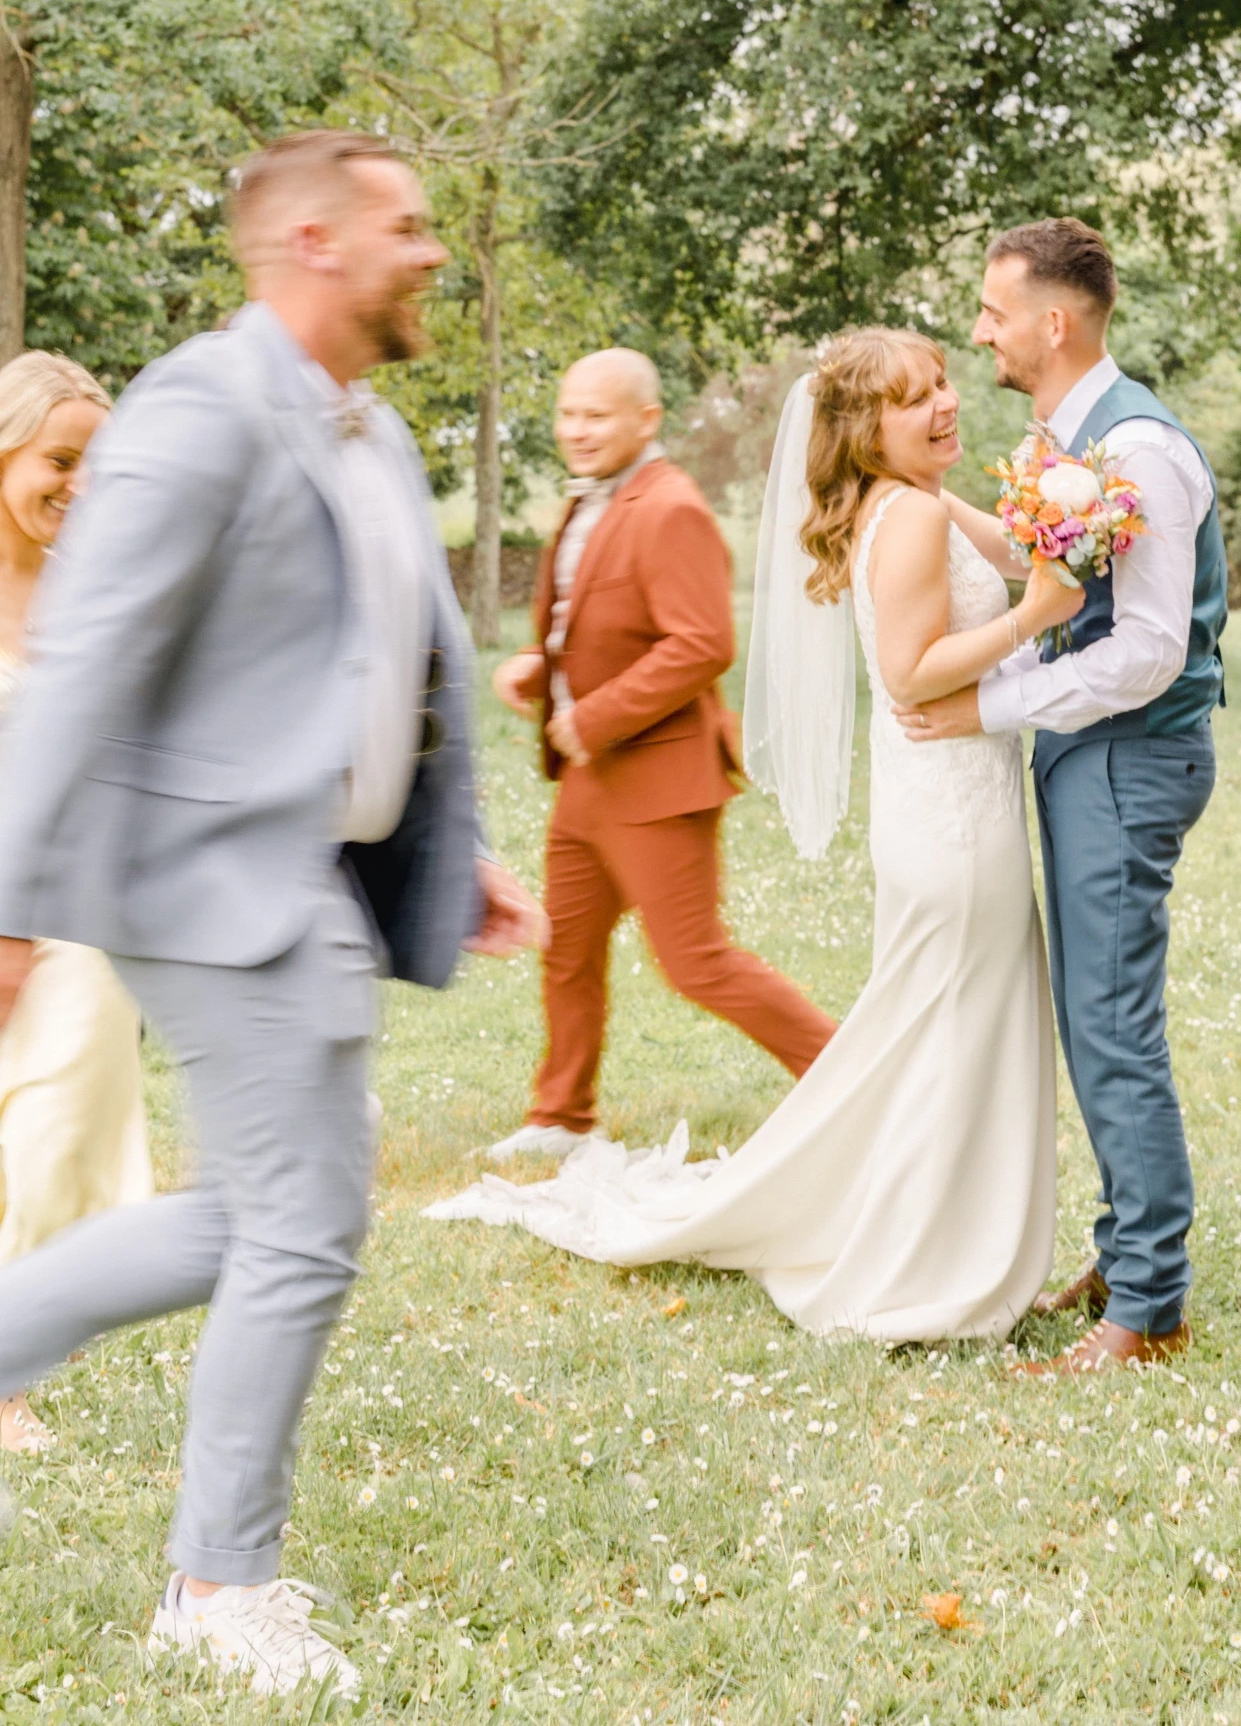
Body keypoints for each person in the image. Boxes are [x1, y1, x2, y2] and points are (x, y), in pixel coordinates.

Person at [0, 130, 544, 1698]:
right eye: (407, 227)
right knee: (299, 1228)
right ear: (312, 244)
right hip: (202, 876)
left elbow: (395, 652)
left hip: (302, 870)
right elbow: (86, 660)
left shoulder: (360, 429)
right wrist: (12, 914)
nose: (432, 252)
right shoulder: (198, 409)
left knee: (264, 1218)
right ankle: (216, 1582)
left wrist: (453, 849)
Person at [431, 327, 1062, 1341]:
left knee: (943, 1027)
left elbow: (1025, 553)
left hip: (937, 799)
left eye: (943, 382)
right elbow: (911, 670)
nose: (945, 403)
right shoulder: (902, 513)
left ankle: (948, 1236)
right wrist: (1041, 610)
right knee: (946, 1029)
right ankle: (932, 1251)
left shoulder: (911, 501)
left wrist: (1069, 516)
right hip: (948, 813)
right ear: (863, 428)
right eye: (915, 398)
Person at [898, 218, 1227, 1374]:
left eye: (991, 313)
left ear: (1052, 320)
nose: (978, 331)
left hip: (1132, 755)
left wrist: (981, 707)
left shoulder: (1133, 453)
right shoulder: (1065, 439)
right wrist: (922, 498)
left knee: (1110, 1022)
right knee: (1094, 1017)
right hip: (1090, 754)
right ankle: (1121, 1254)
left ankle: (1148, 1307)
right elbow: (1049, 581)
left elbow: (1142, 652)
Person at [483, 347, 836, 1161]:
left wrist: (594, 717)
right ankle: (561, 1117)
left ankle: (844, 1072)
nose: (575, 430)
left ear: (645, 421)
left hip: (657, 778)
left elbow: (702, 643)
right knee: (567, 950)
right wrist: (541, 670)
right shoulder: (586, 505)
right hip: (587, 785)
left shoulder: (669, 506)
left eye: (595, 416)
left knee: (696, 963)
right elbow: (600, 626)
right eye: (567, 414)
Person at [0, 352, 151, 1456]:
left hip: (86, 909)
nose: (81, 487)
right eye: (61, 460)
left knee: (58, 1133)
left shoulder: (107, 587)